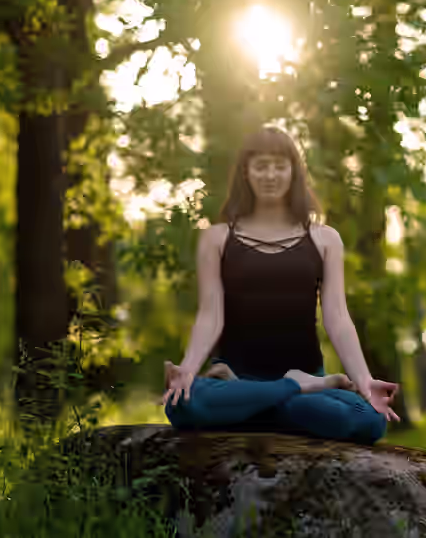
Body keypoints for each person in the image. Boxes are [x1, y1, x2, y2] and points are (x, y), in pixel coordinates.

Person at [161, 126, 401, 445]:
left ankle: (257, 403)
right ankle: (292, 388)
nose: (270, 175)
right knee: (180, 404)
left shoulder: (325, 239)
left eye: (279, 166)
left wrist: (365, 380)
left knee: (370, 420)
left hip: (296, 379)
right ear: (246, 172)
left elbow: (337, 317)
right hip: (240, 378)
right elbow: (210, 314)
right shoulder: (217, 238)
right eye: (261, 166)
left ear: (294, 172)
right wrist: (189, 370)